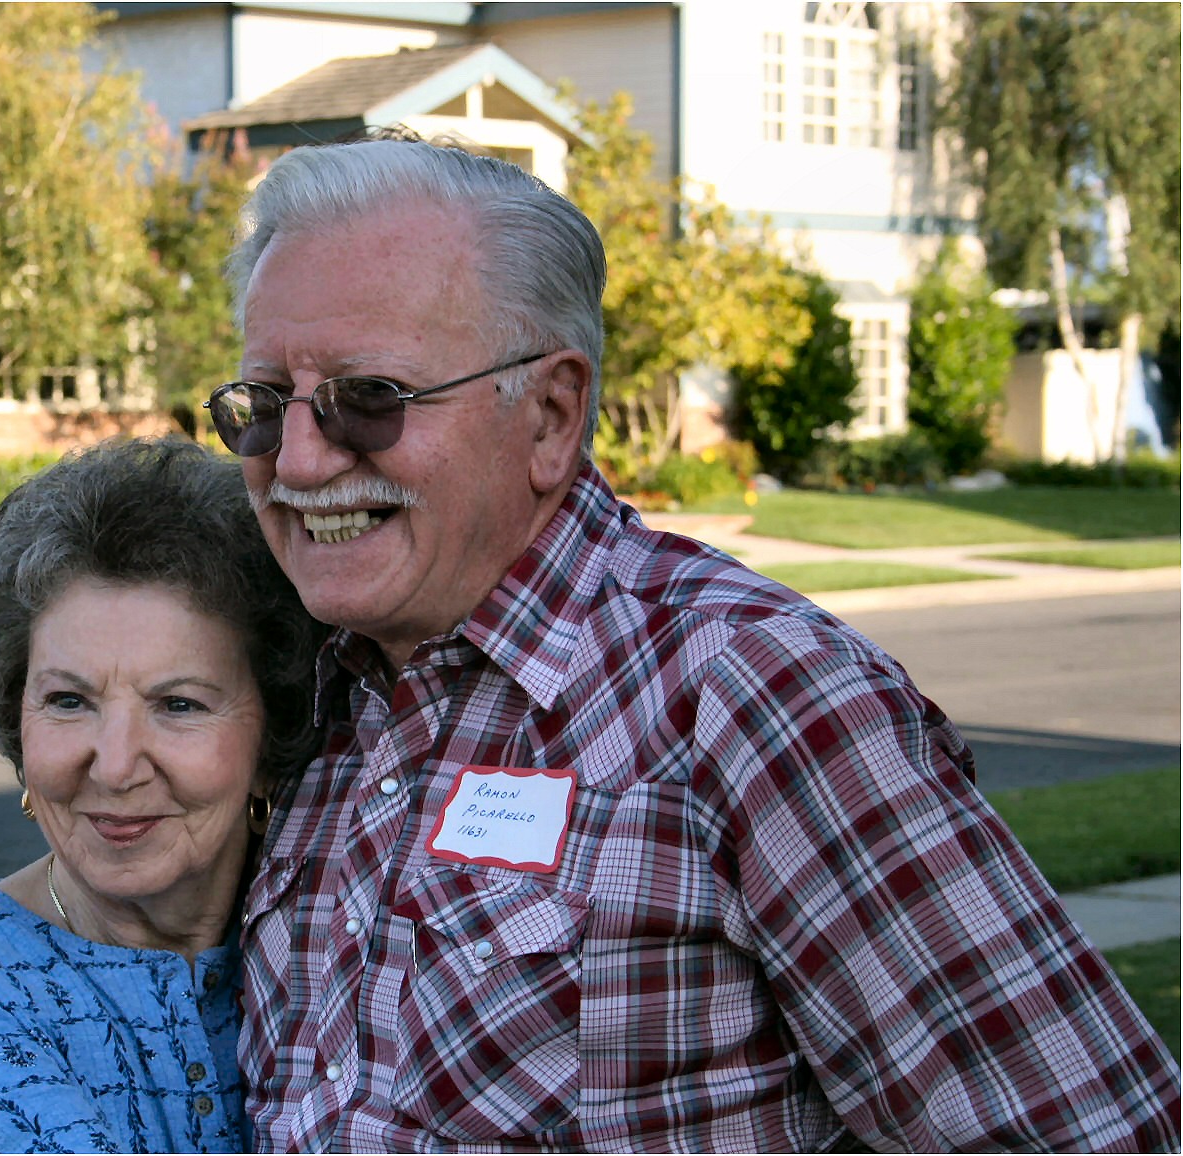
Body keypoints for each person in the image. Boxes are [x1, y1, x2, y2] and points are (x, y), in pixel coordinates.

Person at [210, 138, 1183, 1152]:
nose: (301, 459)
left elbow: (1089, 1133)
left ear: (550, 414)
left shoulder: (755, 692)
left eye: (369, 399)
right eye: (265, 405)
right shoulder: (304, 685)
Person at [0, 437, 324, 1153]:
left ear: (272, 737)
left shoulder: (334, 947)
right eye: (69, 701)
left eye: (180, 705)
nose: (116, 764)